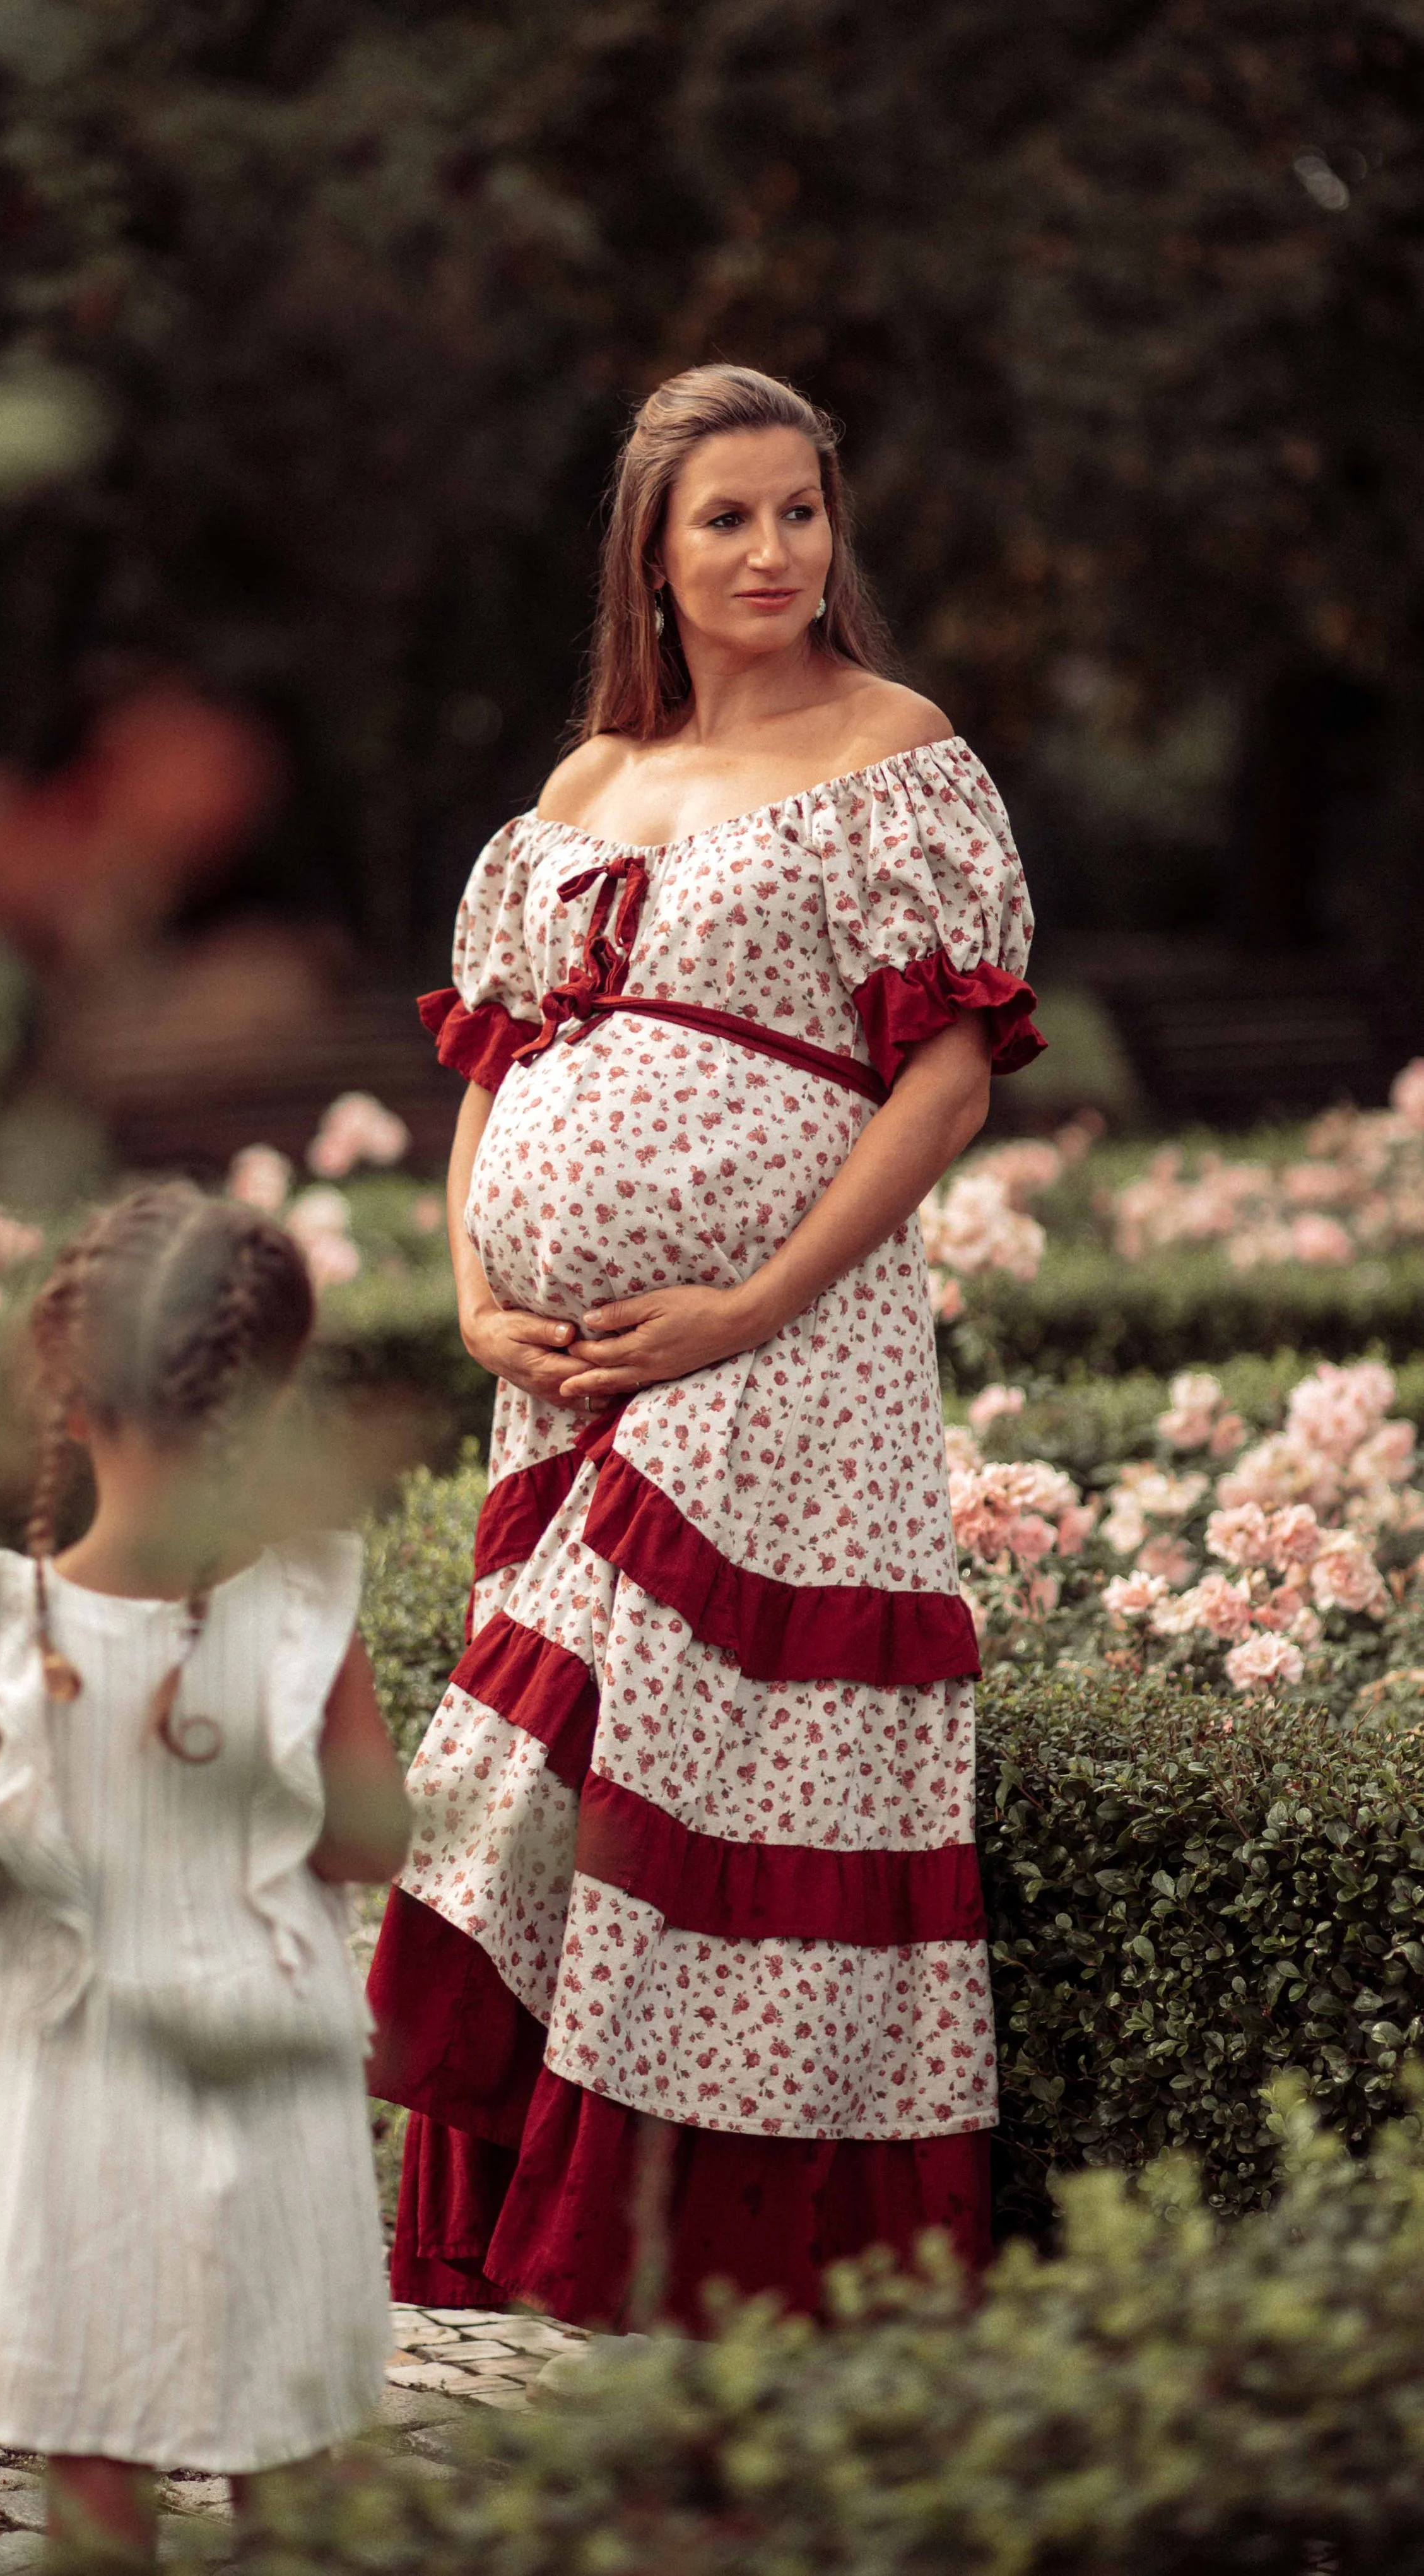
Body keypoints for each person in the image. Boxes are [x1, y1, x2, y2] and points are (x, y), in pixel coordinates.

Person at [366, 362, 1045, 2329]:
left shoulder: (896, 752)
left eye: (799, 512)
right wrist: (477, 1295)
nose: (771, 552)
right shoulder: (584, 786)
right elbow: (494, 1068)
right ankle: (524, 2205)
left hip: (785, 1351)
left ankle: (722, 2247)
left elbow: (939, 1085)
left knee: (711, 1755)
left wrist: (752, 1296)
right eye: (725, 519)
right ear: (649, 559)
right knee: (542, 1758)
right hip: (561, 1370)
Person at [0, 1181, 409, 2561]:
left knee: (96, 2450)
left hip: (71, 2085)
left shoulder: (5, 1616)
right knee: (289, 2443)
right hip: (269, 2065)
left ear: (69, 1397)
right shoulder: (311, 1597)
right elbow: (372, 1837)